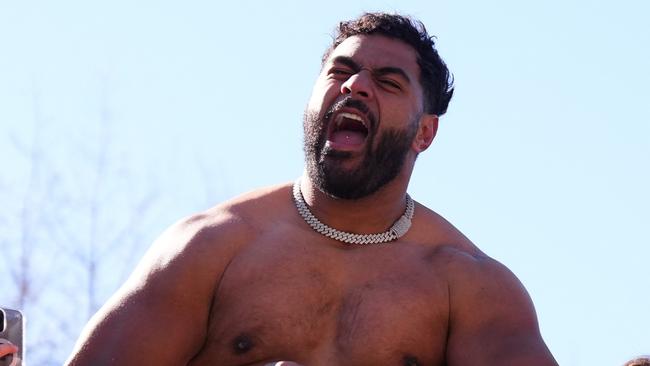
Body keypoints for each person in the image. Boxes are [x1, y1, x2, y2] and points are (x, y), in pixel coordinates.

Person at [66, 12, 558, 366]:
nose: (355, 86)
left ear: (424, 133)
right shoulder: (211, 246)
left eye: (387, 82)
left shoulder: (472, 287)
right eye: (340, 72)